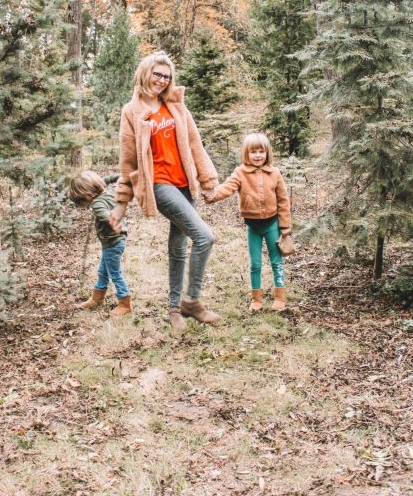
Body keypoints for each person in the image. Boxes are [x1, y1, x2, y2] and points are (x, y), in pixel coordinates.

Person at [108, 51, 221, 332]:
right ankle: (191, 301)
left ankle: (174, 309)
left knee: (178, 247)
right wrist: (121, 205)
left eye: (166, 76)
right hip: (159, 184)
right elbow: (129, 162)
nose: (161, 80)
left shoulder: (176, 107)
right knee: (205, 237)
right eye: (157, 74)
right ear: (145, 73)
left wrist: (208, 181)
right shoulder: (131, 112)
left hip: (185, 183)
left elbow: (196, 146)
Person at [205, 132, 291, 312]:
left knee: (276, 261)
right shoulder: (240, 172)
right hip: (252, 227)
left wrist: (285, 228)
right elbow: (228, 187)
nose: (258, 155)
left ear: (267, 153)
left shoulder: (274, 173)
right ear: (246, 153)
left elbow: (283, 201)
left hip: (272, 225)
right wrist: (214, 194)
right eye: (253, 152)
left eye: (261, 151)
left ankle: (280, 296)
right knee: (255, 264)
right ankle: (256, 299)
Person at [68, 171, 132, 316]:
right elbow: (110, 179)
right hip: (116, 240)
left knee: (115, 273)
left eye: (81, 201)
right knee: (103, 271)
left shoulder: (97, 204)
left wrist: (112, 221)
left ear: (85, 196)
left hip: (112, 242)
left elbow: (105, 215)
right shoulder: (109, 190)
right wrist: (123, 177)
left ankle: (125, 302)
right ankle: (97, 297)